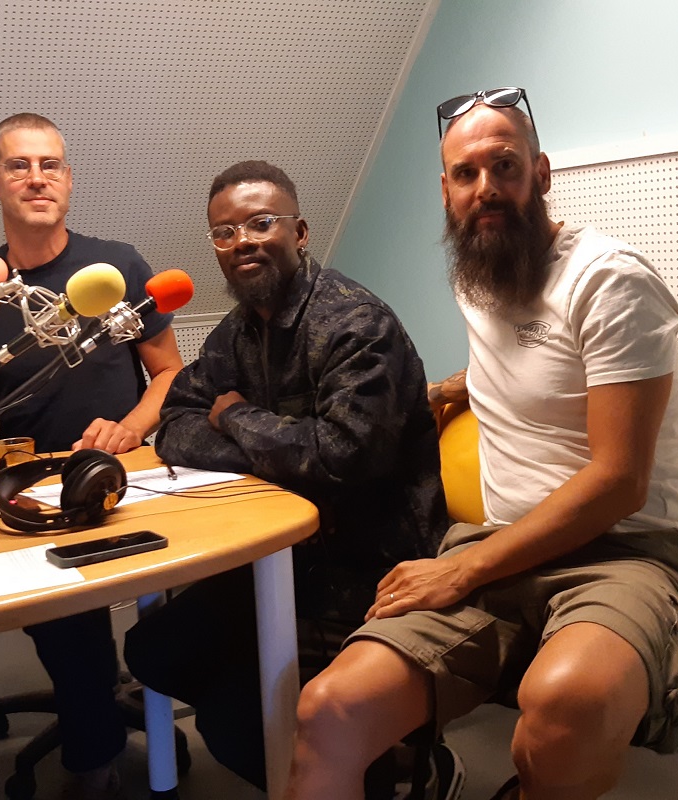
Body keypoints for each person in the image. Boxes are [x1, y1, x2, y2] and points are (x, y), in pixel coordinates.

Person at [283, 90, 678, 800]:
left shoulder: (609, 280)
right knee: (329, 709)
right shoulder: (483, 270)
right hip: (500, 543)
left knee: (562, 708)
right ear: (446, 190)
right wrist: (444, 391)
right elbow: (535, 366)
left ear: (540, 173)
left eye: (504, 165)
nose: (485, 187)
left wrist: (462, 570)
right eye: (466, 173)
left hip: (626, 551)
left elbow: (620, 480)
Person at [123, 160, 448, 795]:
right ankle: (347, 748)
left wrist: (236, 416)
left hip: (370, 565)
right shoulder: (237, 332)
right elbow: (176, 425)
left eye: (261, 223)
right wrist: (278, 446)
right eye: (224, 232)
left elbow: (342, 456)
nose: (241, 241)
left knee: (231, 725)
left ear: (299, 232)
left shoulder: (357, 325)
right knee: (153, 652)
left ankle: (398, 771)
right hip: (284, 556)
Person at [0, 113, 183, 800]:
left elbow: (170, 375)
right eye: (19, 165)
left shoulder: (116, 267)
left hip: (108, 475)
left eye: (50, 164)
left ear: (68, 177)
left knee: (64, 613)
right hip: (19, 485)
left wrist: (128, 429)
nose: (37, 178)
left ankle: (93, 763)